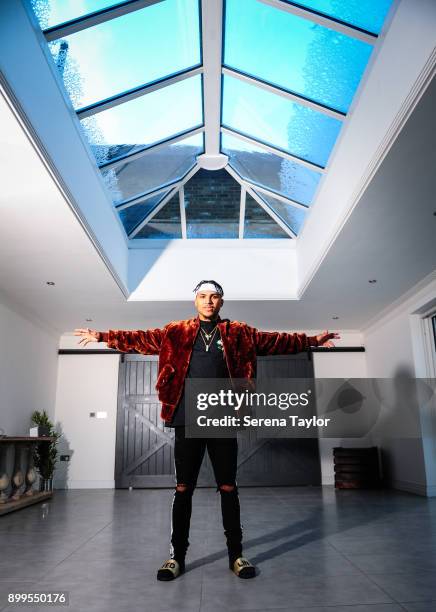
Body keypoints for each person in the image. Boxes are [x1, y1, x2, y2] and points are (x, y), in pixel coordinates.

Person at [74, 280, 339, 581]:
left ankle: (236, 555)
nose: (208, 301)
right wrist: (102, 336)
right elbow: (139, 338)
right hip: (187, 418)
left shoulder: (240, 333)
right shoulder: (175, 332)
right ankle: (176, 557)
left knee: (228, 487)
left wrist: (313, 341)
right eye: (203, 296)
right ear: (195, 301)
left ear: (221, 302)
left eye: (214, 297)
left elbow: (277, 341)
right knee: (183, 488)